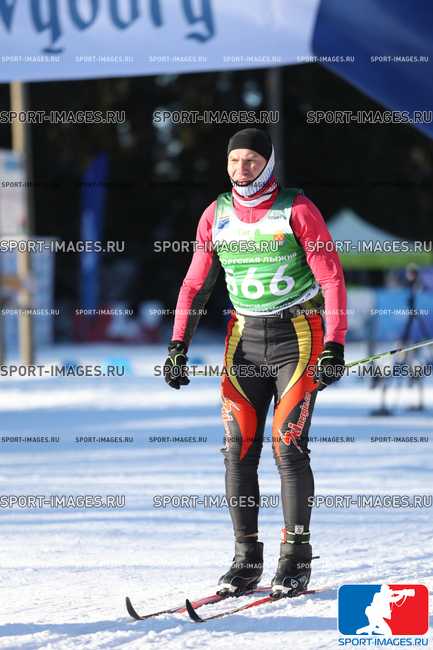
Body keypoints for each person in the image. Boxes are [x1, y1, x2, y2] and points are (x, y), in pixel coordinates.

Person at [163, 128, 347, 598]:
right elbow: (194, 285)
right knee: (238, 449)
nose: (241, 169)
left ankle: (295, 558)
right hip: (243, 340)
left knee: (287, 446)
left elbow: (331, 278)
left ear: (268, 163)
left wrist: (335, 345)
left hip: (298, 337)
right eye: (234, 161)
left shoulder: (296, 209)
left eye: (251, 161)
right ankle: (246, 558)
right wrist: (178, 345)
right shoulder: (217, 214)